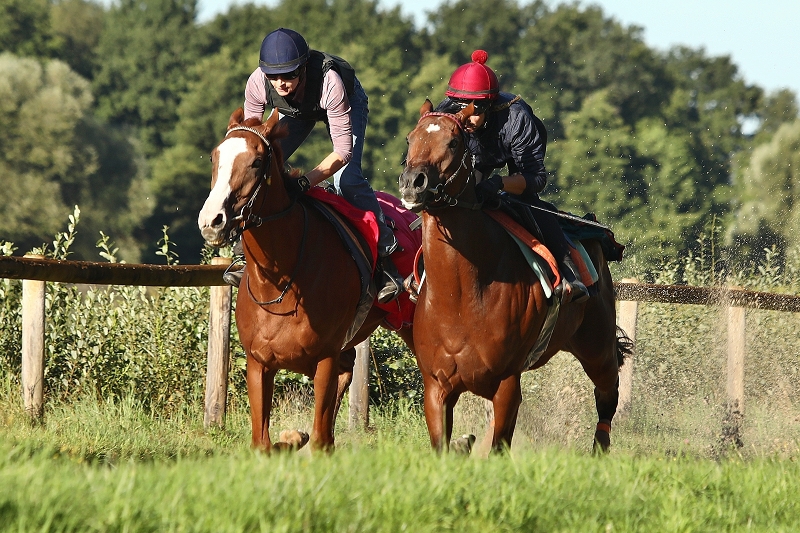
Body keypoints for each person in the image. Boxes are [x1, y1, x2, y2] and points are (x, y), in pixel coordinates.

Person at [225, 27, 403, 304]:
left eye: (289, 75)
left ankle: (385, 254)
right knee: (255, 169)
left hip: (348, 102)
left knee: (346, 180)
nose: (281, 83)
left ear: (304, 68)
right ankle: (245, 251)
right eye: (273, 76)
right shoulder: (257, 82)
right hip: (298, 112)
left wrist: (305, 182)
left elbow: (342, 152)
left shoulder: (331, 83)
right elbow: (252, 142)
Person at [435, 50, 588, 303]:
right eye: (461, 110)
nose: (466, 118)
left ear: (489, 107)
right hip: (475, 155)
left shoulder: (517, 119)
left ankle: (568, 271)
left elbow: (536, 179)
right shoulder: (446, 112)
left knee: (524, 202)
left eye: (474, 111)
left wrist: (499, 183)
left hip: (516, 155)